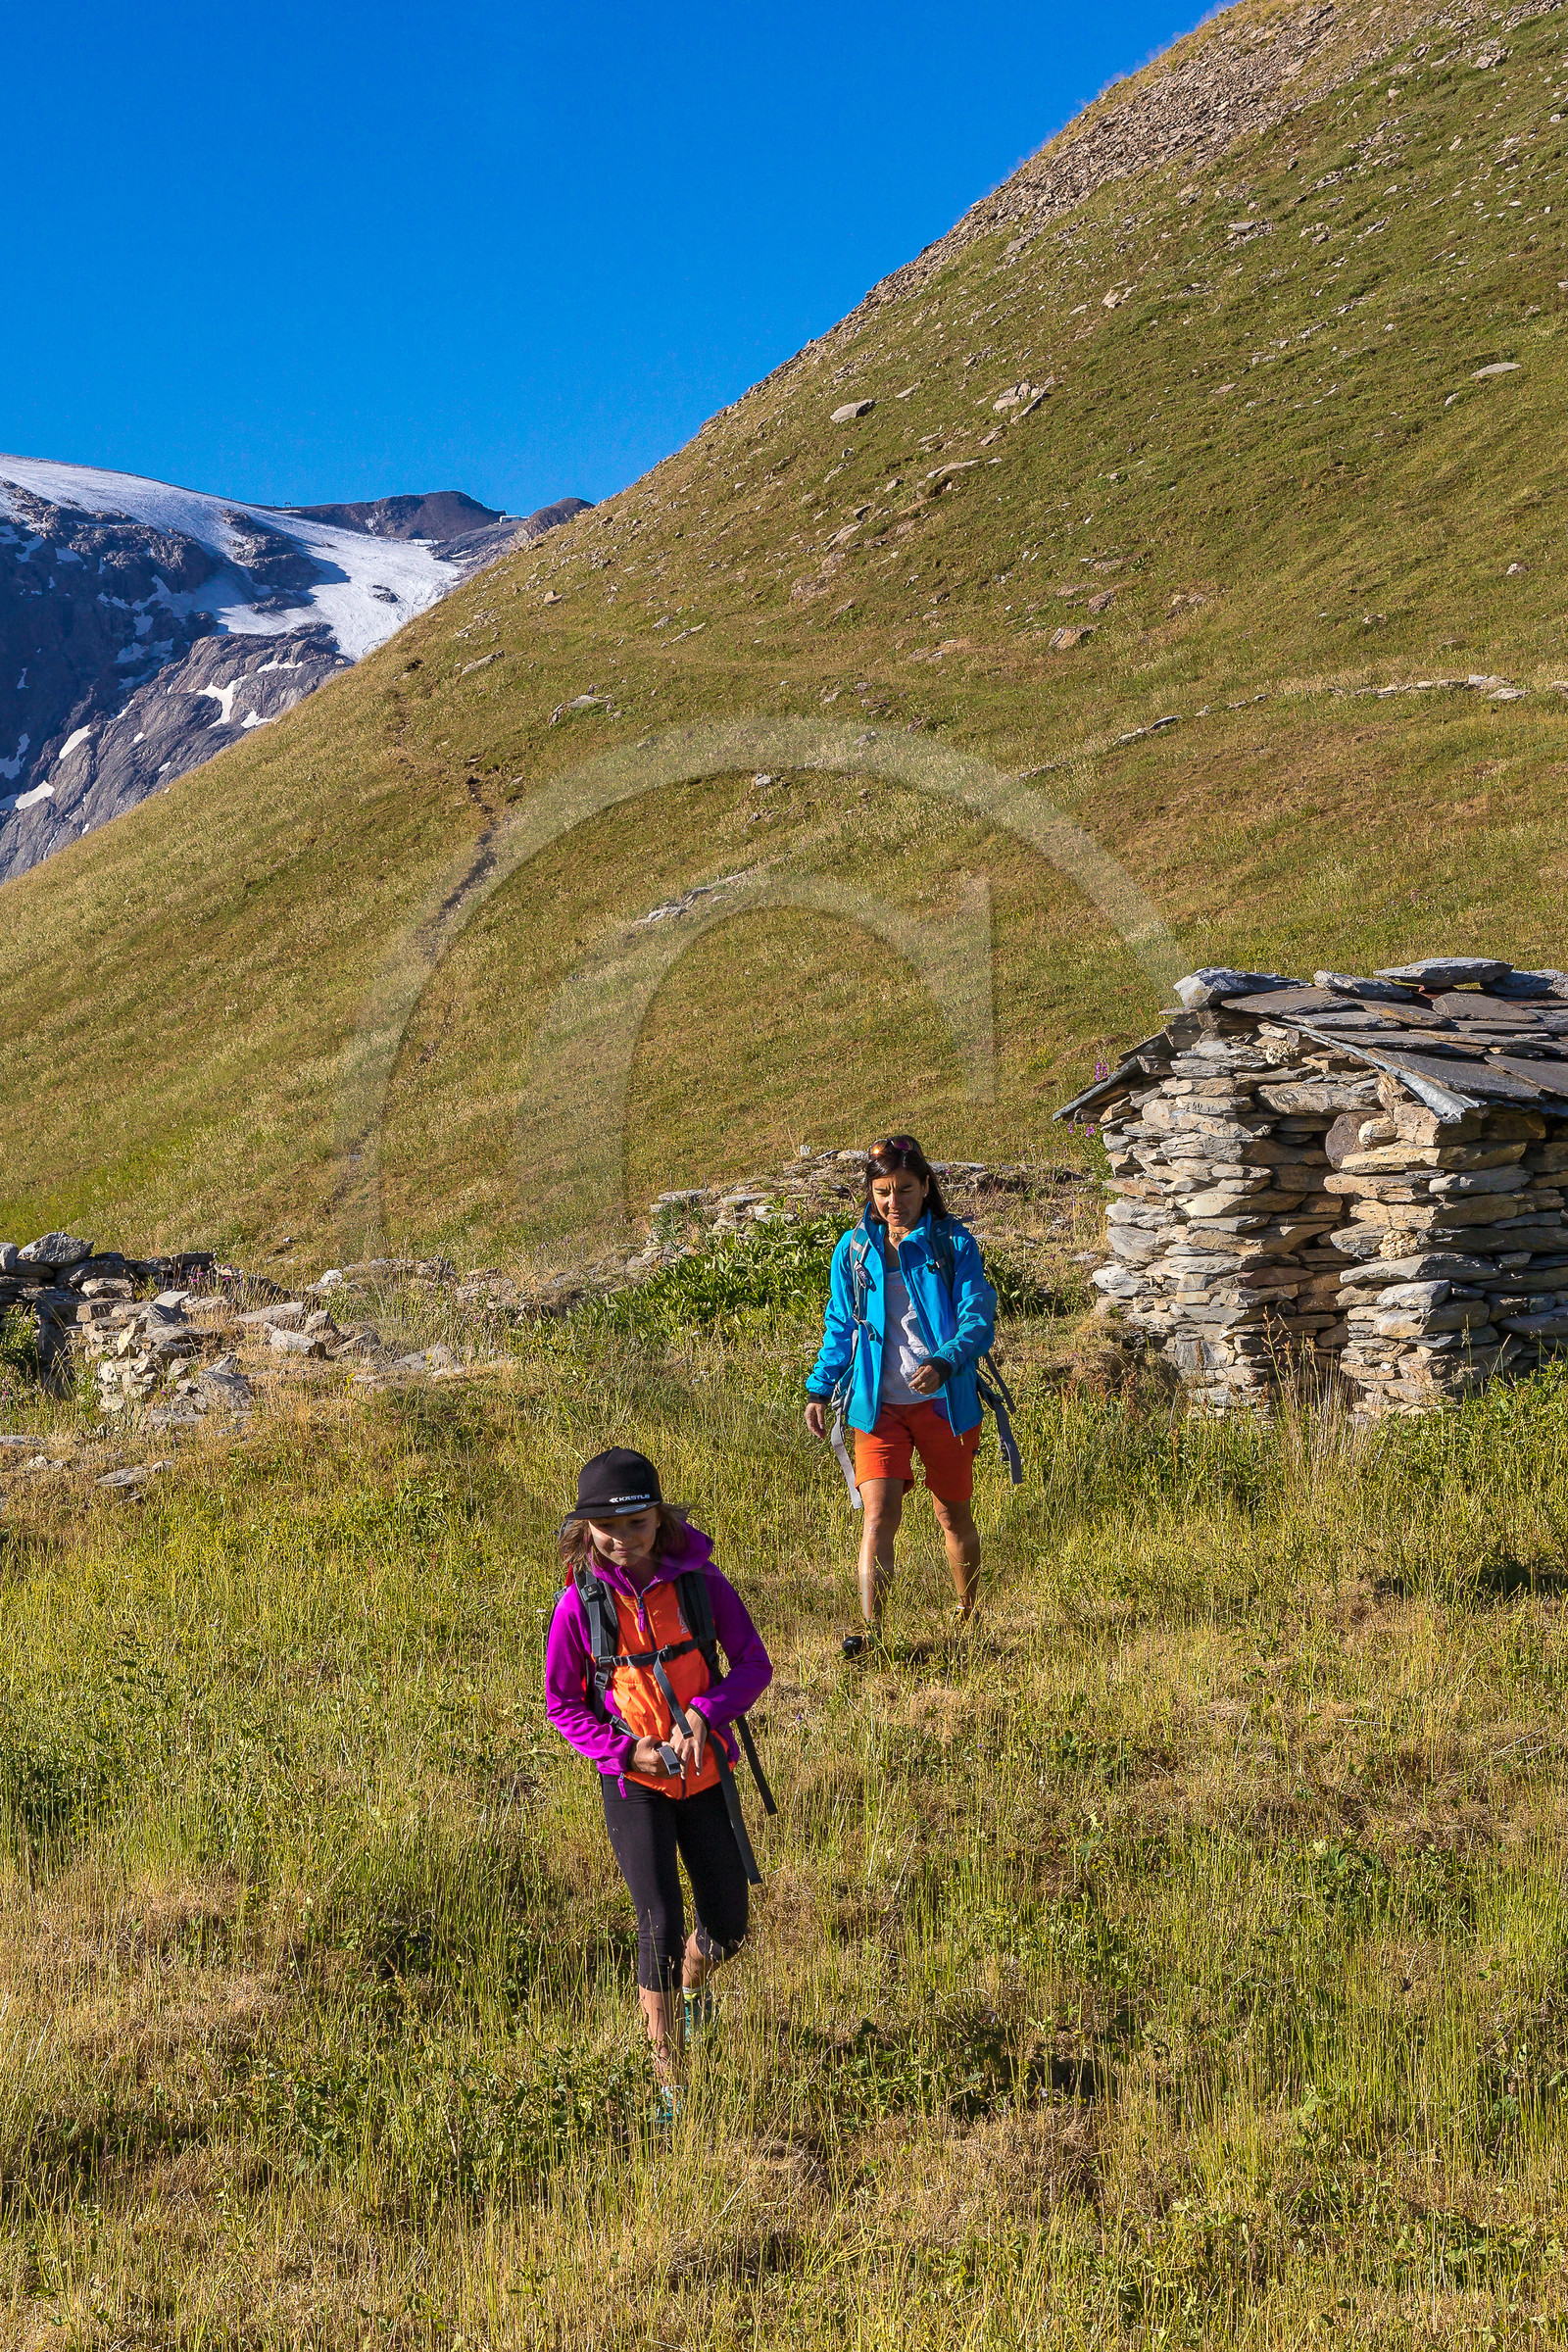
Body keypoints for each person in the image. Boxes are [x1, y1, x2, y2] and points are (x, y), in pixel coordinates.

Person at [544, 1446, 772, 2112]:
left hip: (705, 1778)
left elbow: (753, 1663)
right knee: (658, 1923)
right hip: (633, 1783)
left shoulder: (703, 1582)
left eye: (637, 1525)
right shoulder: (576, 1606)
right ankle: (669, 2070)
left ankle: (697, 1983)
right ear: (585, 1528)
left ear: (660, 1518)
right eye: (607, 1530)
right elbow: (562, 1704)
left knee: (727, 1930)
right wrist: (620, 1753)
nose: (623, 1541)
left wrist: (707, 1712)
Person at [805, 1135, 997, 1652]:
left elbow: (978, 1315)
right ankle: (872, 1636)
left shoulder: (953, 1243)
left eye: (906, 1190)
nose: (894, 1202)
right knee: (878, 1514)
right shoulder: (854, 1249)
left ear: (926, 1186)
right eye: (883, 1191)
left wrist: (944, 1361)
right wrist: (821, 1388)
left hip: (944, 1405)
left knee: (952, 1514)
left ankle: (968, 1614)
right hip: (876, 1405)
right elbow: (841, 1322)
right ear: (870, 1191)